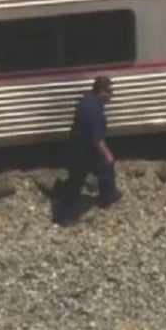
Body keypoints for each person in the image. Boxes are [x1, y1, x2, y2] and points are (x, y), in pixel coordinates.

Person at [55, 75, 120, 225]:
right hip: (84, 152)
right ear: (102, 92)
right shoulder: (94, 112)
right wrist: (108, 154)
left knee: (103, 169)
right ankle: (66, 217)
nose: (111, 96)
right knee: (78, 180)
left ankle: (108, 195)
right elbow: (97, 140)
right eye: (110, 92)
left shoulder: (86, 100)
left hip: (77, 146)